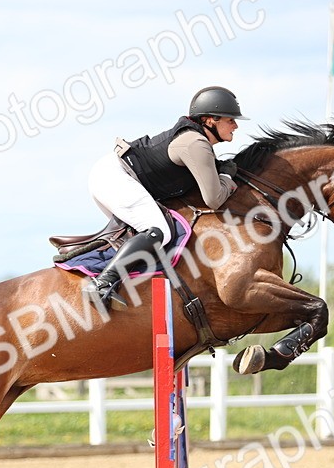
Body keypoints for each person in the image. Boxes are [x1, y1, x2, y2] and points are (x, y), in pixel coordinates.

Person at [84, 85, 247, 308]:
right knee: (158, 231)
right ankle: (102, 283)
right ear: (210, 120)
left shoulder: (197, 141)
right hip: (114, 176)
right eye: (230, 120)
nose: (235, 125)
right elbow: (214, 199)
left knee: (153, 239)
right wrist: (227, 176)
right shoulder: (196, 143)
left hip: (112, 175)